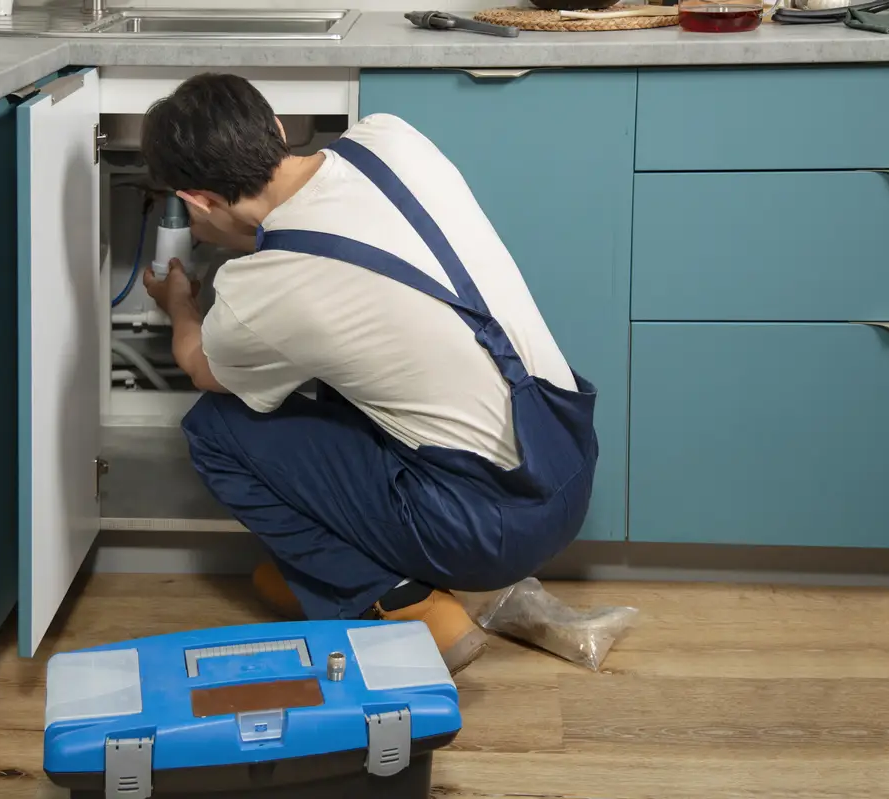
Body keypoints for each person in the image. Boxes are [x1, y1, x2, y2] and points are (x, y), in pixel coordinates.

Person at [139, 73, 598, 675]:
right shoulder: (390, 139)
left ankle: (387, 595)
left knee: (216, 429)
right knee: (339, 377)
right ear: (277, 127)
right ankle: (339, 573)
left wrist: (179, 305)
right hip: (569, 458)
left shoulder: (259, 293)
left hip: (490, 531)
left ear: (197, 200)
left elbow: (201, 366)